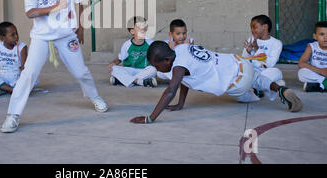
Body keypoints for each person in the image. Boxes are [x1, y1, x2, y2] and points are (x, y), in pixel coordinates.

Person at [0, 0, 108, 133]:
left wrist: (81, 28)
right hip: (42, 37)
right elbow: (30, 12)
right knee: (29, 74)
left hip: (66, 35)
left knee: (80, 71)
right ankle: (13, 115)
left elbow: (80, 3)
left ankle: (95, 97)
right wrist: (53, 8)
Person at [130, 41, 303, 124]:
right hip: (241, 63)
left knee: (246, 95)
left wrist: (149, 118)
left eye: (157, 65)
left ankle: (259, 92)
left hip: (237, 84)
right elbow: (185, 80)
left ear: (167, 60)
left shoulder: (177, 68)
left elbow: (170, 91)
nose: (158, 69)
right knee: (257, 77)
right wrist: (180, 103)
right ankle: (279, 89)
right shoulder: (181, 49)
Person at [240, 15, 284, 102]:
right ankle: (260, 87)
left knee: (276, 72)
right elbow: (244, 60)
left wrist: (256, 49)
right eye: (251, 27)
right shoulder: (251, 39)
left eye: (254, 27)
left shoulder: (276, 43)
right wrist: (248, 51)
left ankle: (254, 87)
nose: (252, 30)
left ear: (265, 27)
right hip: (250, 71)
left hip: (263, 72)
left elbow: (270, 64)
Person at [108, 16, 157, 88]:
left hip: (144, 70)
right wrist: (112, 63)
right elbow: (119, 59)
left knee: (154, 70)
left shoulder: (151, 43)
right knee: (114, 69)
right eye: (139, 27)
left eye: (144, 27)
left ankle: (122, 80)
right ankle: (140, 82)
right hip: (130, 70)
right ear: (132, 31)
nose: (142, 29)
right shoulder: (127, 45)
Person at [298, 21, 327, 92]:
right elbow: (301, 63)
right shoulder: (312, 46)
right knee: (301, 73)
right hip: (317, 73)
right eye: (322, 34)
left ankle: (319, 86)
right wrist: (320, 71)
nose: (325, 37)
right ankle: (324, 83)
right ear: (315, 36)